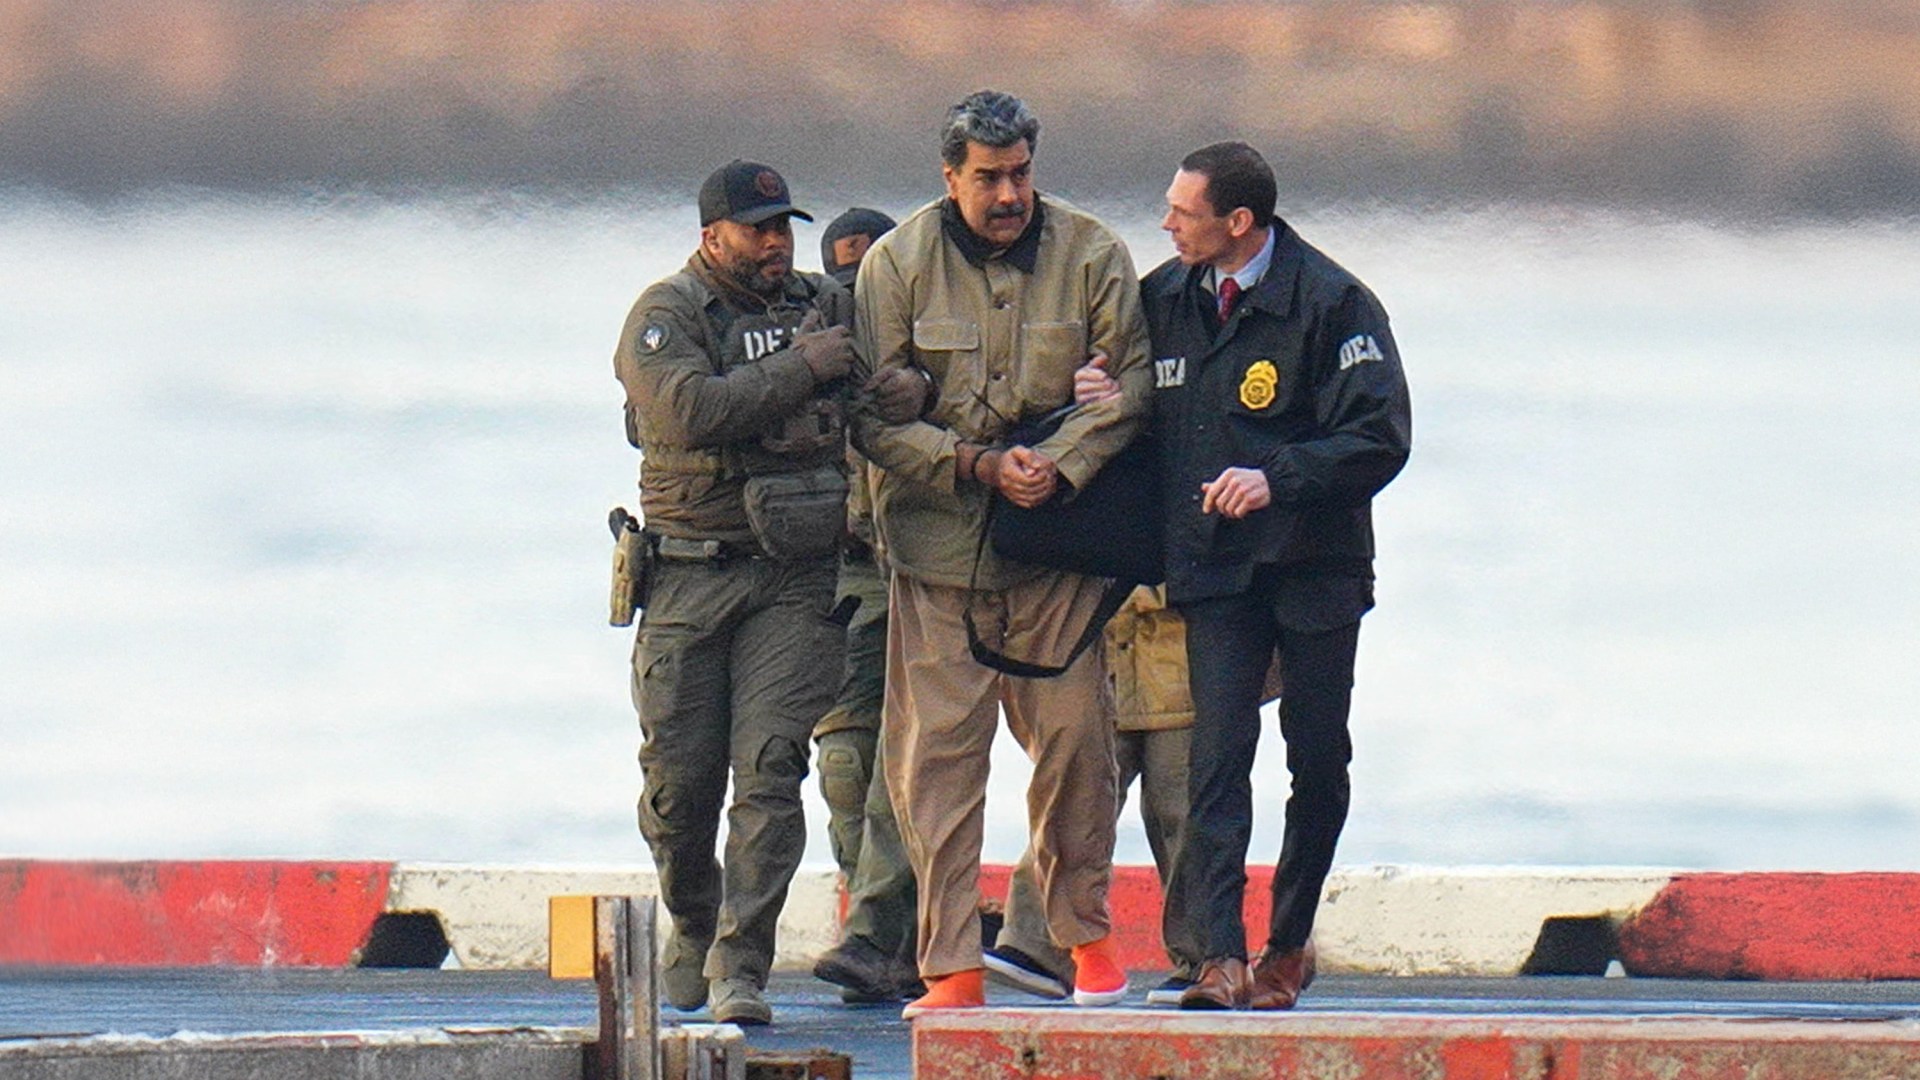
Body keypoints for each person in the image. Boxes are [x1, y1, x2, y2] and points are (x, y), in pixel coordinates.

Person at [848, 89, 1152, 1017]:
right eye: (988, 178)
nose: (1009, 194)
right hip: (937, 556)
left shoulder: (1094, 254)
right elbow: (869, 418)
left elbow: (1132, 387)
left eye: (1020, 173)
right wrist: (975, 464)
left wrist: (1058, 464)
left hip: (1057, 552)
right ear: (951, 177)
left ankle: (1085, 940)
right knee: (936, 765)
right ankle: (951, 967)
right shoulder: (895, 265)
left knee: (1078, 746)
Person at [1119, 140, 1411, 1010]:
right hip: (1215, 567)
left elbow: (1379, 437)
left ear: (1239, 222)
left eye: (1184, 212)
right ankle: (1220, 956)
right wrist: (1102, 392)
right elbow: (1135, 406)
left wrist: (1277, 477)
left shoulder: (1334, 302)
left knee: (1316, 758)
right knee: (1215, 759)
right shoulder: (1164, 299)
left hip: (1315, 566)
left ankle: (1287, 942)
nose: (1167, 225)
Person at [609, 160, 869, 1027]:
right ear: (711, 236)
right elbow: (688, 412)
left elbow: (876, 391)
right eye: (756, 229)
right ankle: (694, 916)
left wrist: (905, 390)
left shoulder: (821, 306)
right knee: (679, 792)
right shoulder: (668, 315)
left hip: (795, 579)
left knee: (770, 772)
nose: (773, 244)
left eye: (782, 228)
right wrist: (800, 369)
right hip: (689, 577)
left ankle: (740, 966)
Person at [807, 207, 926, 1004]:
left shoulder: (925, 350)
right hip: (842, 576)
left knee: (906, 763)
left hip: (920, 567)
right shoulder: (811, 353)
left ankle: (886, 931)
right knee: (846, 764)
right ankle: (877, 933)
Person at [983, 584, 1207, 1006]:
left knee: (1181, 807)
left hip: (1181, 656)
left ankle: (1204, 959)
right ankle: (1039, 942)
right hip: (1103, 650)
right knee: (1076, 795)